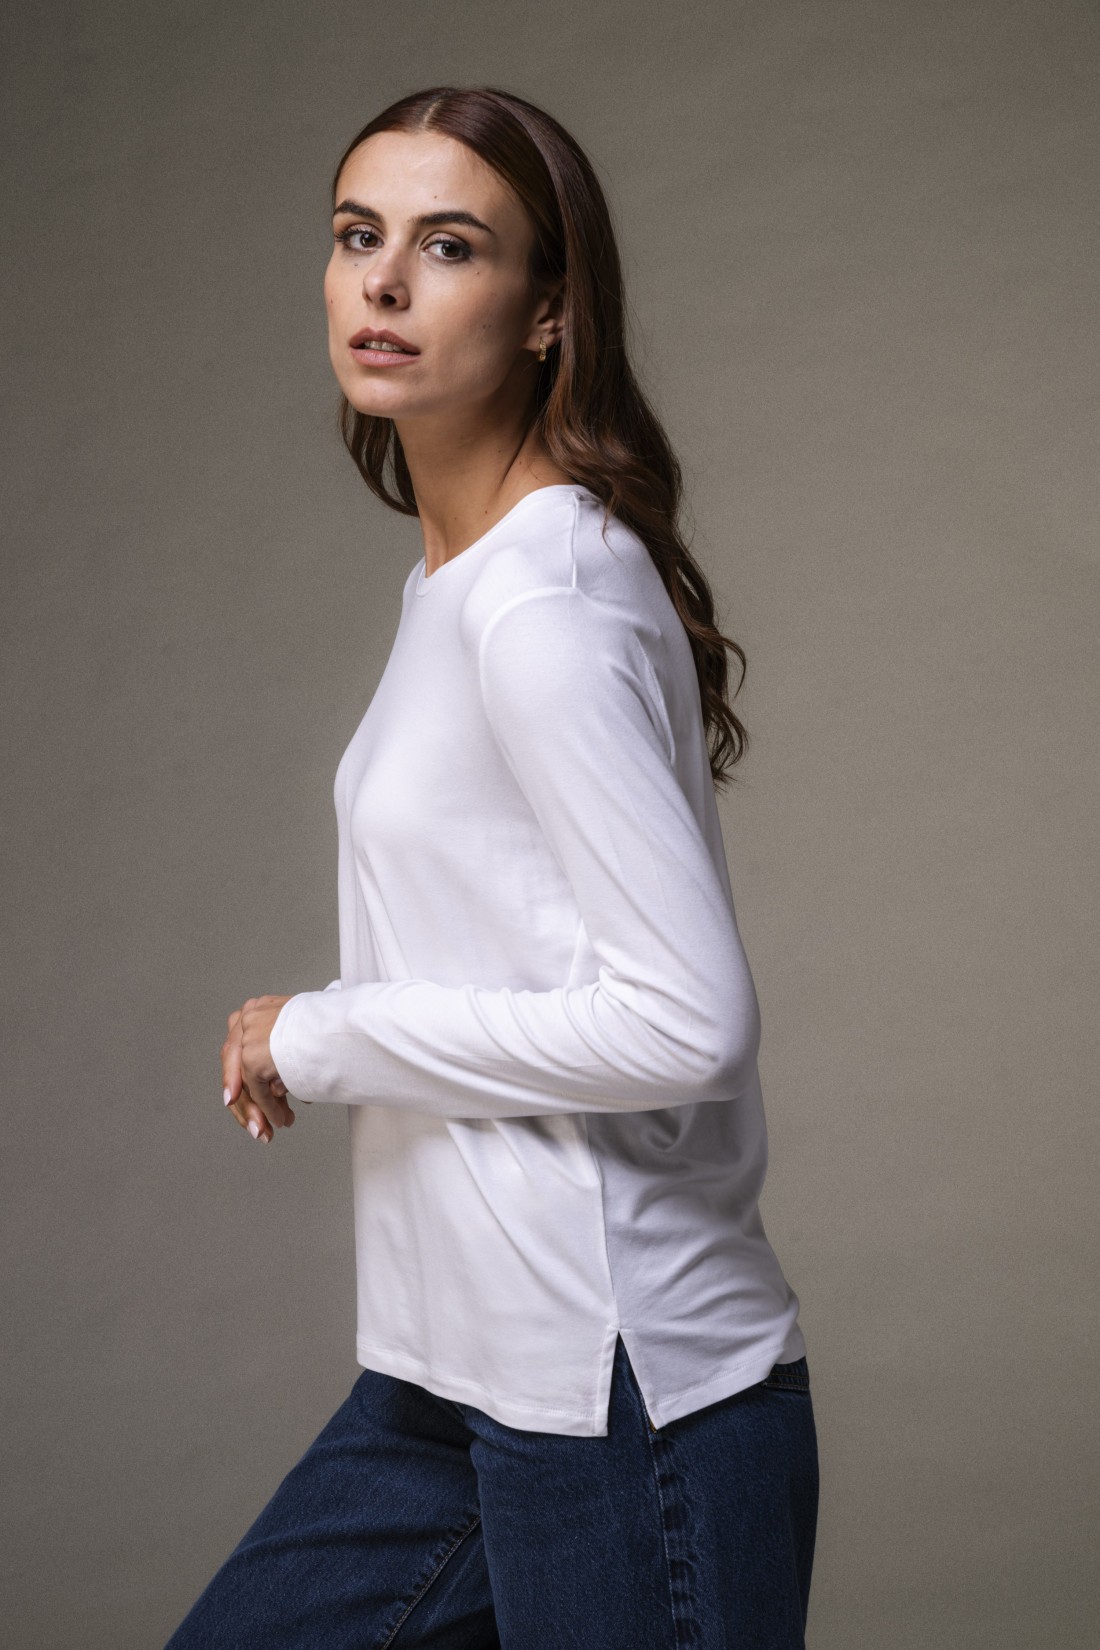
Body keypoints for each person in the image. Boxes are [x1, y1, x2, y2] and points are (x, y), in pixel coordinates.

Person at [165, 84, 819, 1650]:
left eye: (449, 246)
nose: (385, 282)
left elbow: (685, 1022)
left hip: (621, 1393)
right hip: (454, 1376)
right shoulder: (463, 581)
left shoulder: (545, 603)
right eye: (357, 236)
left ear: (548, 312)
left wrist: (324, 1033)